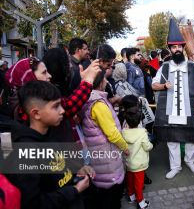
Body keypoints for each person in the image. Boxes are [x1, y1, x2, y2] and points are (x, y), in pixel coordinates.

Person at [4, 81, 94, 209]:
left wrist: (76, 171)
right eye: (56, 106)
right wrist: (74, 190)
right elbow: (33, 204)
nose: (62, 110)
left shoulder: (51, 132)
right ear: (36, 113)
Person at [152, 18, 194, 179]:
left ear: (183, 48)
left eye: (179, 47)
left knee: (191, 137)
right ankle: (175, 166)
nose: (176, 49)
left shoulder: (191, 67)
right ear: (170, 49)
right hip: (170, 111)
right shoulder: (164, 67)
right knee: (172, 139)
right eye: (173, 47)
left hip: (190, 109)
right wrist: (163, 86)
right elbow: (154, 85)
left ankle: (190, 161)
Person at [81, 70, 128, 209]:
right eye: (105, 79)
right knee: (110, 193)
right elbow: (112, 133)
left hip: (98, 153)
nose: (107, 82)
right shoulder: (98, 104)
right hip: (107, 154)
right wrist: (124, 147)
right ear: (100, 82)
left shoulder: (88, 99)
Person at [120, 95, 152, 209]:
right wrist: (151, 145)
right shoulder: (142, 133)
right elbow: (147, 146)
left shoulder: (123, 132)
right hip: (139, 164)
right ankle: (140, 202)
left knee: (130, 180)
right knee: (139, 183)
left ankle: (131, 196)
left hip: (128, 163)